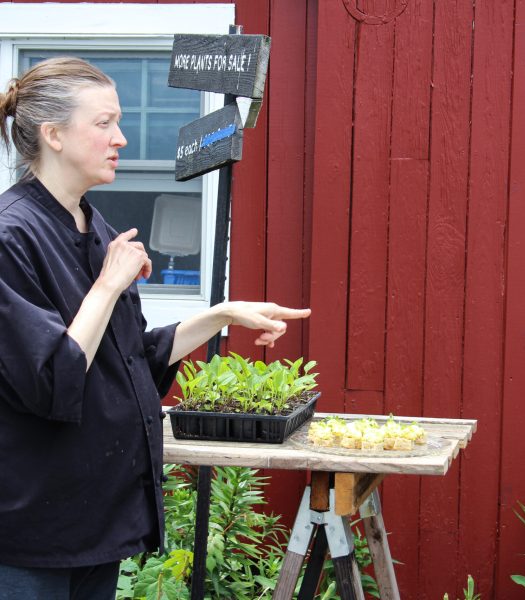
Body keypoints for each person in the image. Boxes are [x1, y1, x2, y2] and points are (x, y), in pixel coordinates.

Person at [0, 56, 310, 600]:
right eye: (104, 123)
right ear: (52, 134)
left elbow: (129, 359)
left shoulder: (96, 228)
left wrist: (221, 314)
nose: (121, 137)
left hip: (95, 521)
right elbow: (51, 381)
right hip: (31, 531)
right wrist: (107, 286)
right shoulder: (12, 238)